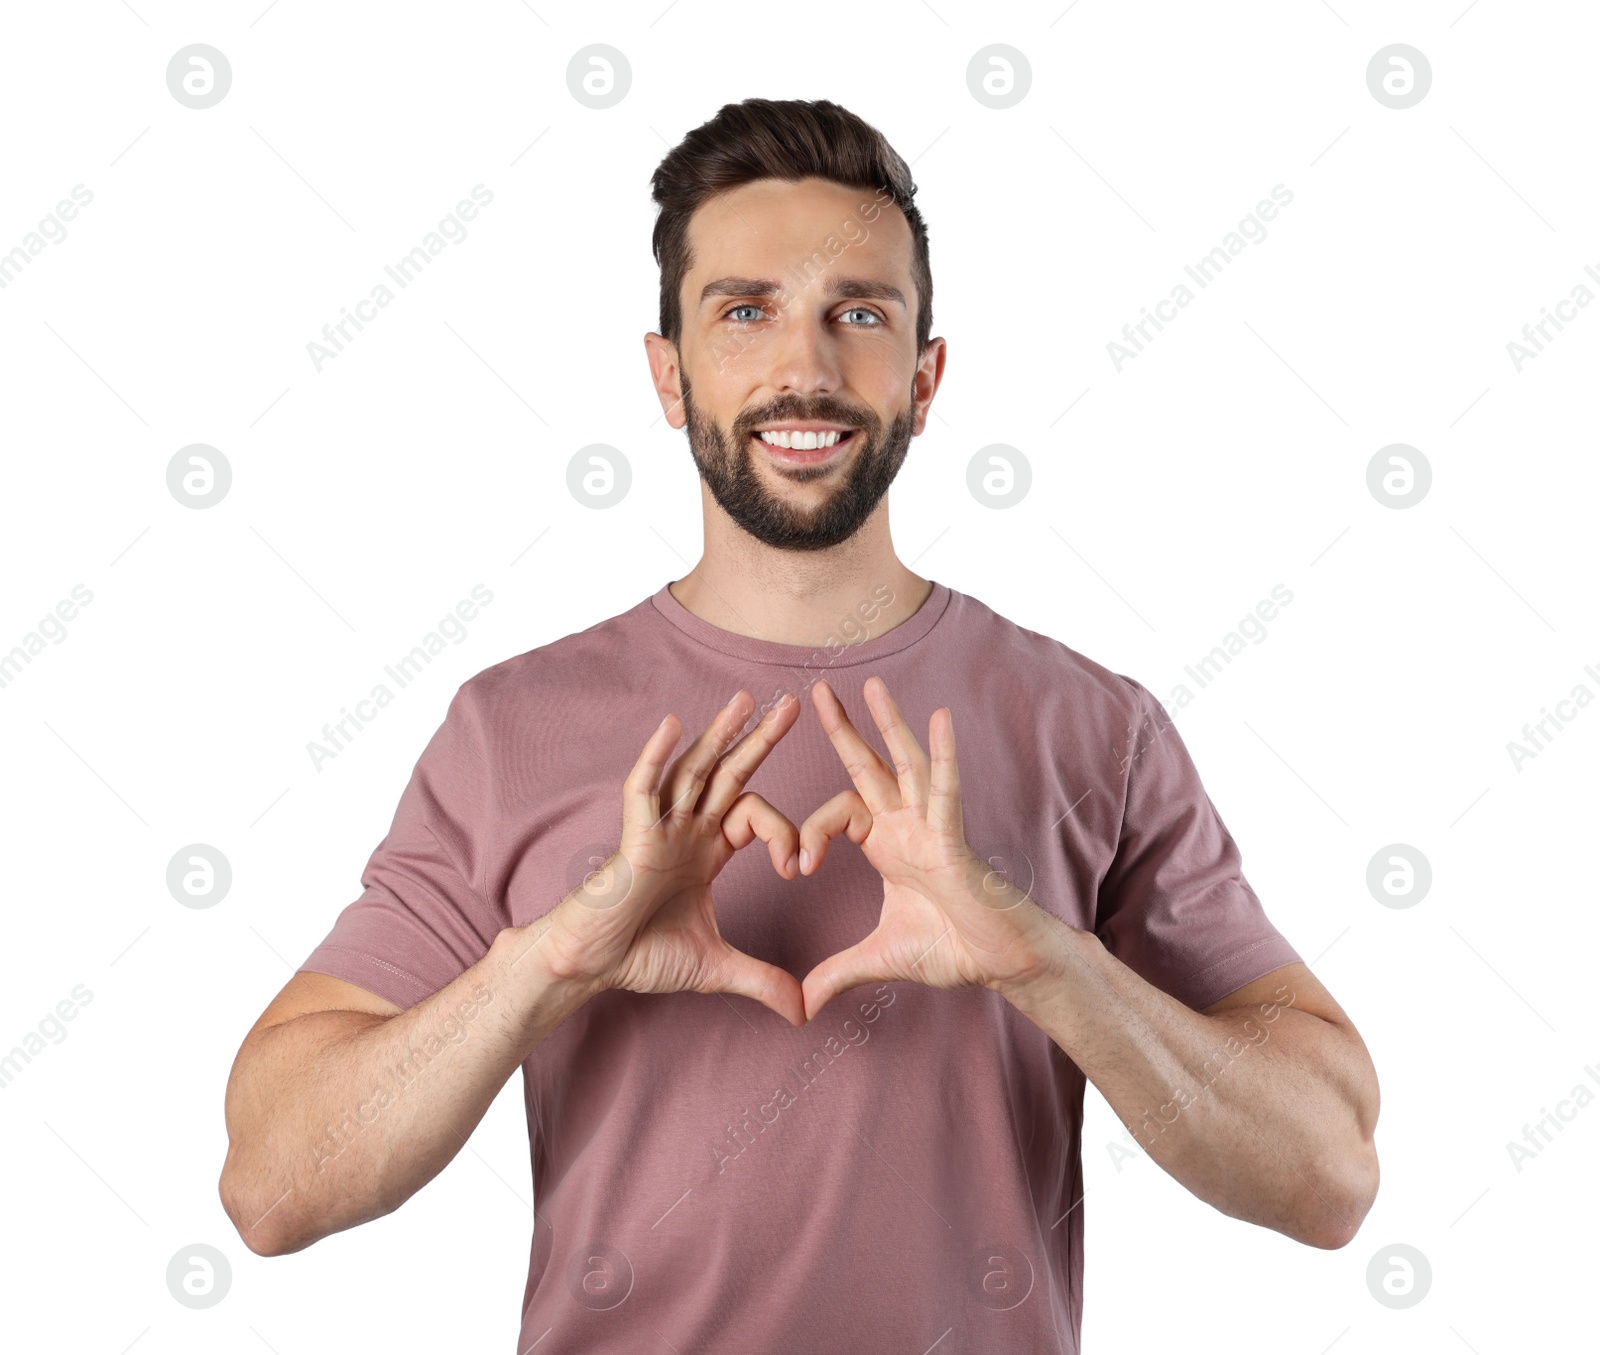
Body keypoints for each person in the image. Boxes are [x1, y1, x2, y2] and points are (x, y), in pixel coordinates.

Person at [219, 98, 1380, 1353]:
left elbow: (1326, 1174)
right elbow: (275, 1186)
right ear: (668, 374)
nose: (805, 369)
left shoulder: (1096, 728)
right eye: (744, 310)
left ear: (925, 377)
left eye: (859, 314)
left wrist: (1040, 955)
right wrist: (554, 955)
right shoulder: (511, 727)